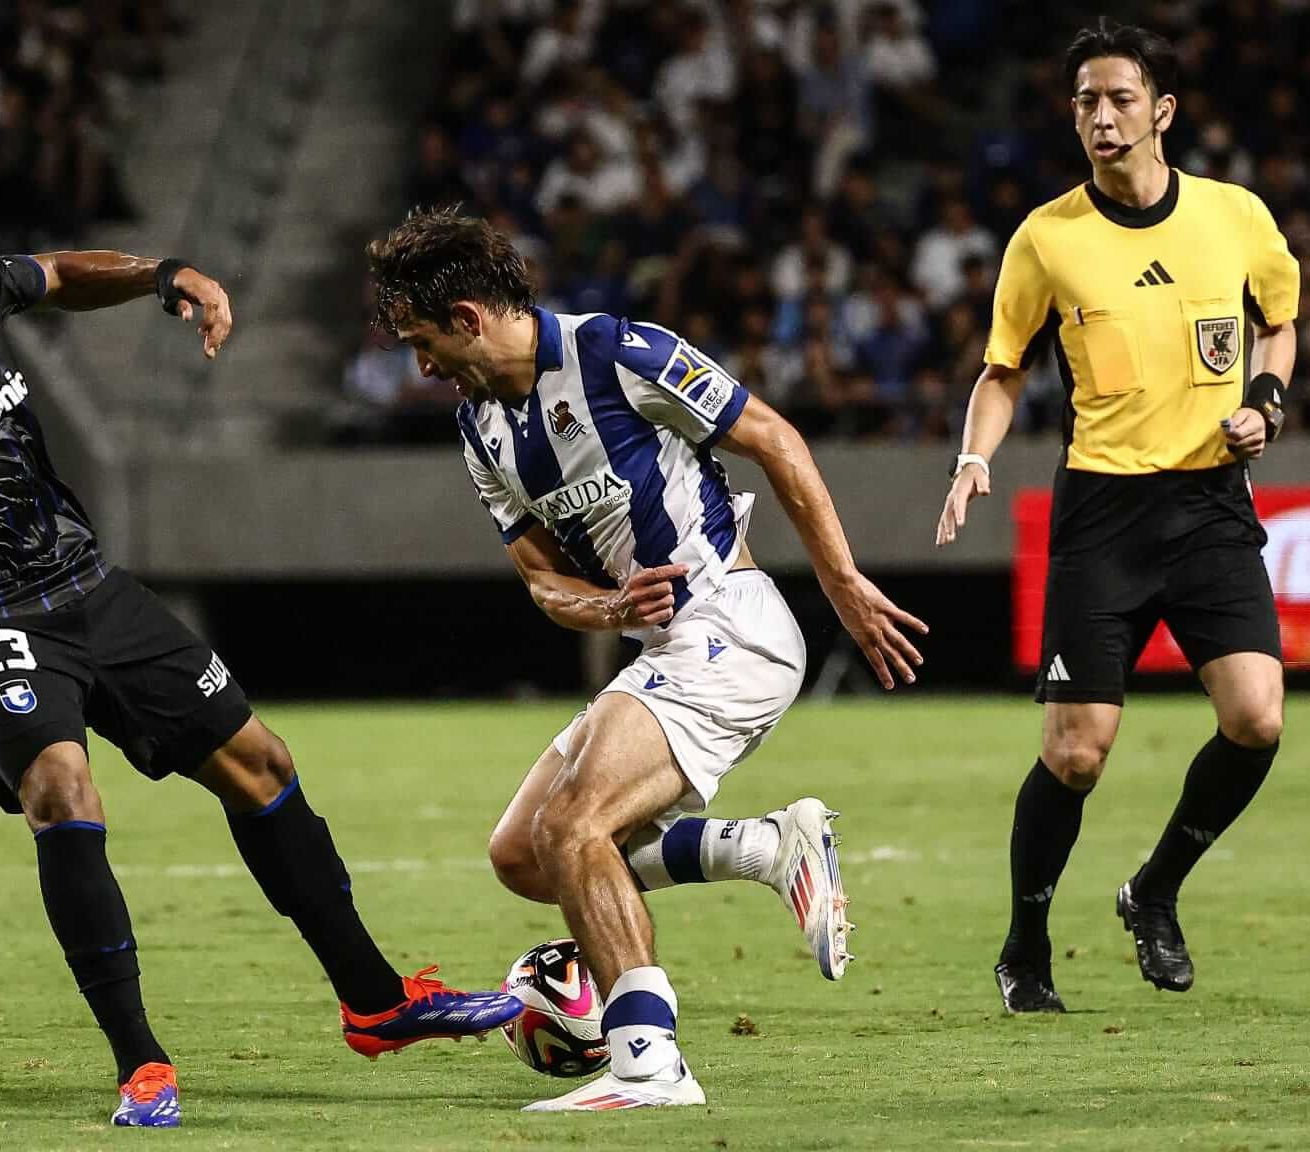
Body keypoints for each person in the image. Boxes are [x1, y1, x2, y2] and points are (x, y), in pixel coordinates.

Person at [0, 172, 521, 1128]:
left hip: (89, 586)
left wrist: (163, 274)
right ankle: (141, 1064)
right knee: (62, 787)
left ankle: (377, 1001)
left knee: (262, 765)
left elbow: (59, 274)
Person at [366, 208, 926, 1111]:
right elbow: (542, 583)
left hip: (727, 625)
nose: (419, 365)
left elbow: (775, 439)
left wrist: (846, 585)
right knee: (523, 855)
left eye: (422, 341)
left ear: (469, 318)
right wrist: (611, 606)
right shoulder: (480, 431)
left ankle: (649, 1065)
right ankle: (763, 848)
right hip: (663, 642)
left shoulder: (614, 352)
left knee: (572, 827)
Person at [933, 21, 1298, 1014]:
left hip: (1208, 500)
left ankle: (1152, 892)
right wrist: (974, 457)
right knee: (1075, 751)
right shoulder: (1045, 238)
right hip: (1102, 509)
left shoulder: (1233, 219)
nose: (1098, 116)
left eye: (1118, 99)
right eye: (1084, 102)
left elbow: (1277, 323)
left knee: (1255, 720)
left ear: (1161, 112)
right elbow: (1000, 369)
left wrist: (1264, 405)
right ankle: (1023, 948)